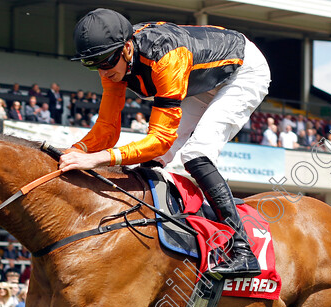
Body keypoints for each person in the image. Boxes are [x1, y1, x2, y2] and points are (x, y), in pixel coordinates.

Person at [63, 9, 268, 276]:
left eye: (104, 61)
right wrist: (76, 150)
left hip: (242, 70)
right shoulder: (113, 60)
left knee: (196, 154)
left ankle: (243, 249)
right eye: (92, 64)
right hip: (200, 79)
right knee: (154, 164)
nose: (102, 70)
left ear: (126, 48)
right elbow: (107, 129)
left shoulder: (165, 57)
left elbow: (160, 139)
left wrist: (97, 158)